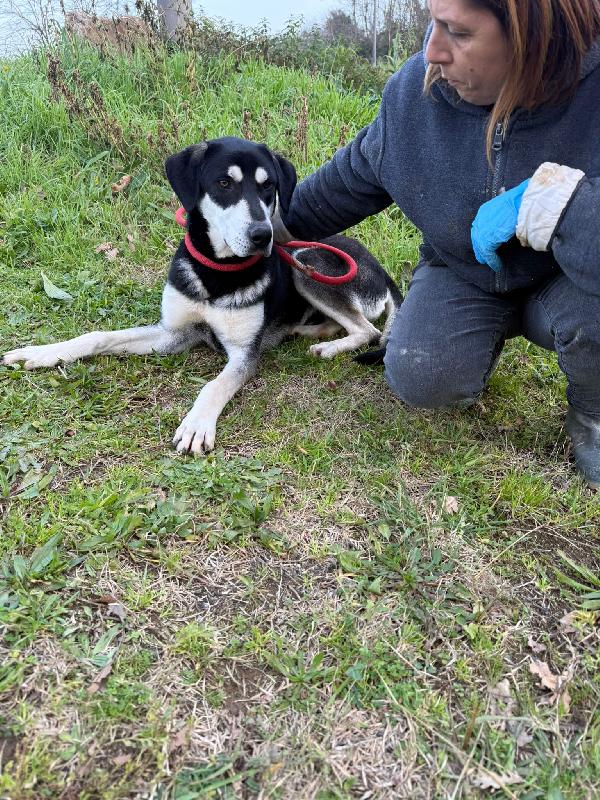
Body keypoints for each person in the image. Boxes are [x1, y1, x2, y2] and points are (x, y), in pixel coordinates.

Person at [277, 0, 600, 489]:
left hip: (570, 279)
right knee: (421, 375)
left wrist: (556, 206)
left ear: (532, 34)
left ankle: (593, 413)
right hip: (463, 270)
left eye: (458, 32)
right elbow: (349, 180)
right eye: (433, 22)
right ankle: (479, 334)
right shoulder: (417, 91)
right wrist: (260, 228)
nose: (432, 51)